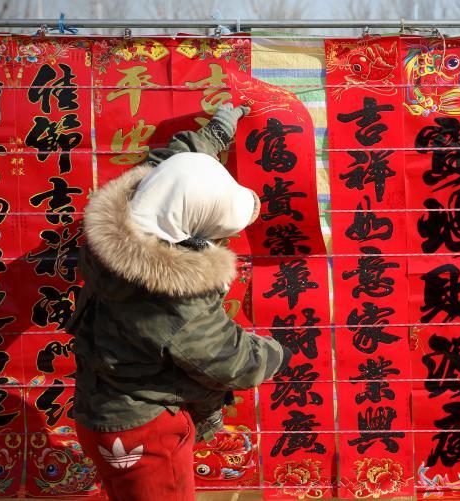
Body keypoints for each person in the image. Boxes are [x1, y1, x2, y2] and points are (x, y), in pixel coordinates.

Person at [66, 104, 290, 500]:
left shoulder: (120, 219)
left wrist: (216, 133)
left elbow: (167, 169)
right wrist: (281, 351)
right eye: (215, 229)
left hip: (103, 405)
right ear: (190, 224)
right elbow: (233, 360)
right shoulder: (173, 297)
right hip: (142, 432)